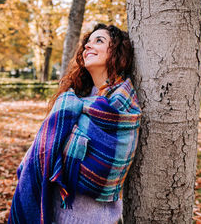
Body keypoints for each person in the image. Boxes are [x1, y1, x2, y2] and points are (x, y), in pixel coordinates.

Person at [8, 24, 141, 224]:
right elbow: (42, 152)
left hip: (96, 217)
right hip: (55, 211)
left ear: (116, 51)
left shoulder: (123, 104)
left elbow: (104, 169)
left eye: (99, 40)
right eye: (87, 42)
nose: (88, 46)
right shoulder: (71, 100)